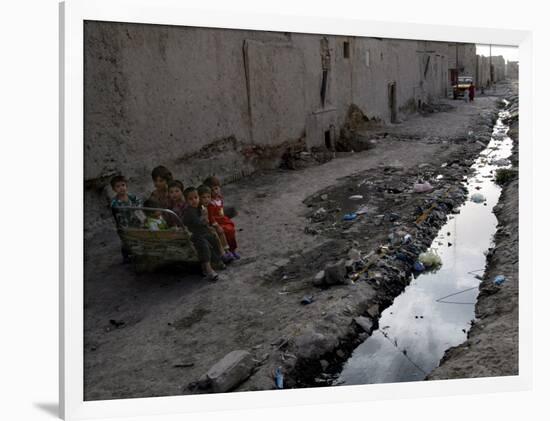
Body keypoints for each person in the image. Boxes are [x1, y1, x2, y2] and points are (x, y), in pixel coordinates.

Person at [182, 187, 224, 282]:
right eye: (190, 199)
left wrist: (206, 220)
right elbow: (198, 222)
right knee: (204, 245)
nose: (194, 201)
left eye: (196, 197)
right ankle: (208, 269)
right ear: (186, 201)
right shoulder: (189, 212)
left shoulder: (198, 208)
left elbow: (205, 223)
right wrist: (204, 217)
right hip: (194, 235)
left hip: (202, 232)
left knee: (213, 238)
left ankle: (217, 260)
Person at [203, 176, 240, 259]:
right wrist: (216, 224)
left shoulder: (220, 199)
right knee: (225, 232)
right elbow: (211, 216)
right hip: (217, 222)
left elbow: (221, 211)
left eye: (216, 188)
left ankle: (233, 250)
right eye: (211, 190)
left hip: (223, 219)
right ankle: (226, 251)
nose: (215, 192)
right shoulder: (210, 203)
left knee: (231, 231)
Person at [110, 175, 143, 263]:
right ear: (114, 189)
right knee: (125, 241)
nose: (121, 188)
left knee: (137, 237)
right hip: (123, 224)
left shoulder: (131, 196)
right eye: (118, 186)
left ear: (126, 186)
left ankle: (138, 253)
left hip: (134, 222)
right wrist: (128, 208)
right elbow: (114, 208)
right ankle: (126, 256)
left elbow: (139, 202)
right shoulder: (115, 201)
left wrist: (137, 207)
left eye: (123, 185)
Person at [197, 184, 235, 264]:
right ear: (199, 198)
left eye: (208, 197)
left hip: (209, 225)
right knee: (216, 233)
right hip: (204, 227)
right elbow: (206, 220)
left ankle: (228, 251)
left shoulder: (207, 206)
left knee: (221, 231)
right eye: (204, 197)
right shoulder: (201, 208)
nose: (207, 199)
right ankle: (223, 254)